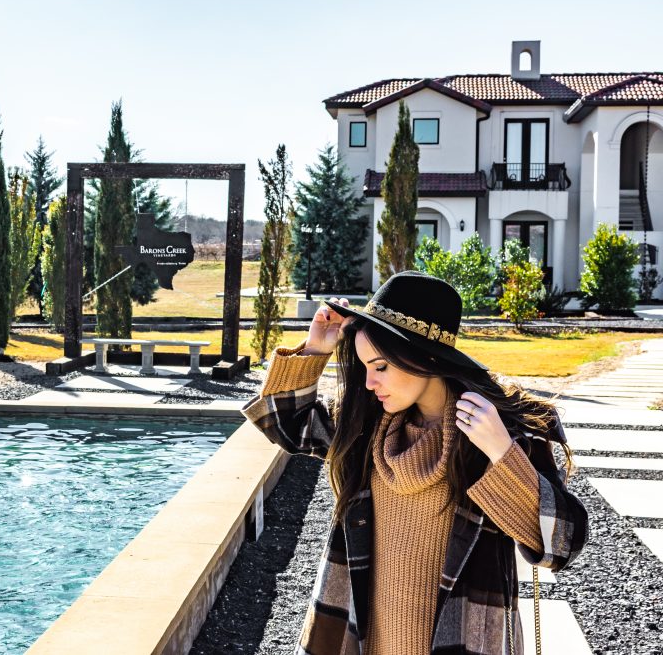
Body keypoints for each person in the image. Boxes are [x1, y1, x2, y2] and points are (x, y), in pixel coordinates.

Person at [241, 271, 588, 655]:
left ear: (424, 357)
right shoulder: (365, 425)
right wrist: (315, 349)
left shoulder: (503, 430)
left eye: (381, 366)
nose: (370, 383)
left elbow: (561, 544)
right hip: (360, 637)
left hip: (464, 642)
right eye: (364, 367)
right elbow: (282, 422)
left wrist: (502, 453)